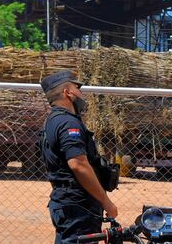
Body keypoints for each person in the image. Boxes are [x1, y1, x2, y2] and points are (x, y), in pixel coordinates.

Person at [39, 70, 118, 244]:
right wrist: (106, 202)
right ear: (67, 92)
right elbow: (78, 164)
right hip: (78, 204)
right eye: (77, 89)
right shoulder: (68, 123)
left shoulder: (53, 120)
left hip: (68, 201)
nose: (81, 94)